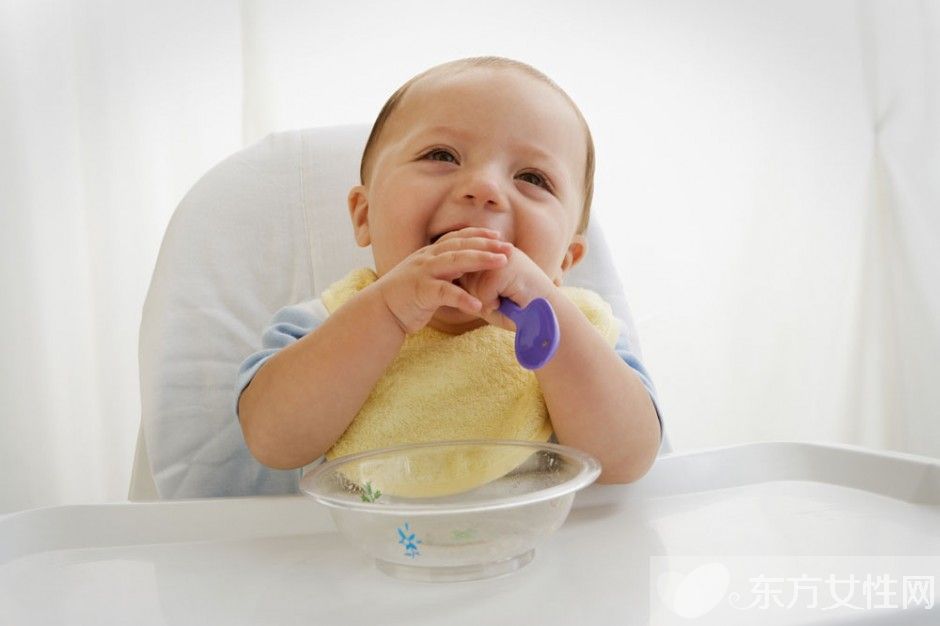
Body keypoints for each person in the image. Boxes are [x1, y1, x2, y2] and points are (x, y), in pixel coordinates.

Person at [236, 56, 663, 484]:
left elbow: (625, 462)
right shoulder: (323, 323)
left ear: (564, 262)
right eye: (442, 155)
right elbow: (273, 442)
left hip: (544, 549)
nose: (486, 188)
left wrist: (551, 323)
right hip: (370, 547)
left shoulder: (580, 335)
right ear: (364, 216)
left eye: (533, 178)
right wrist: (387, 310)